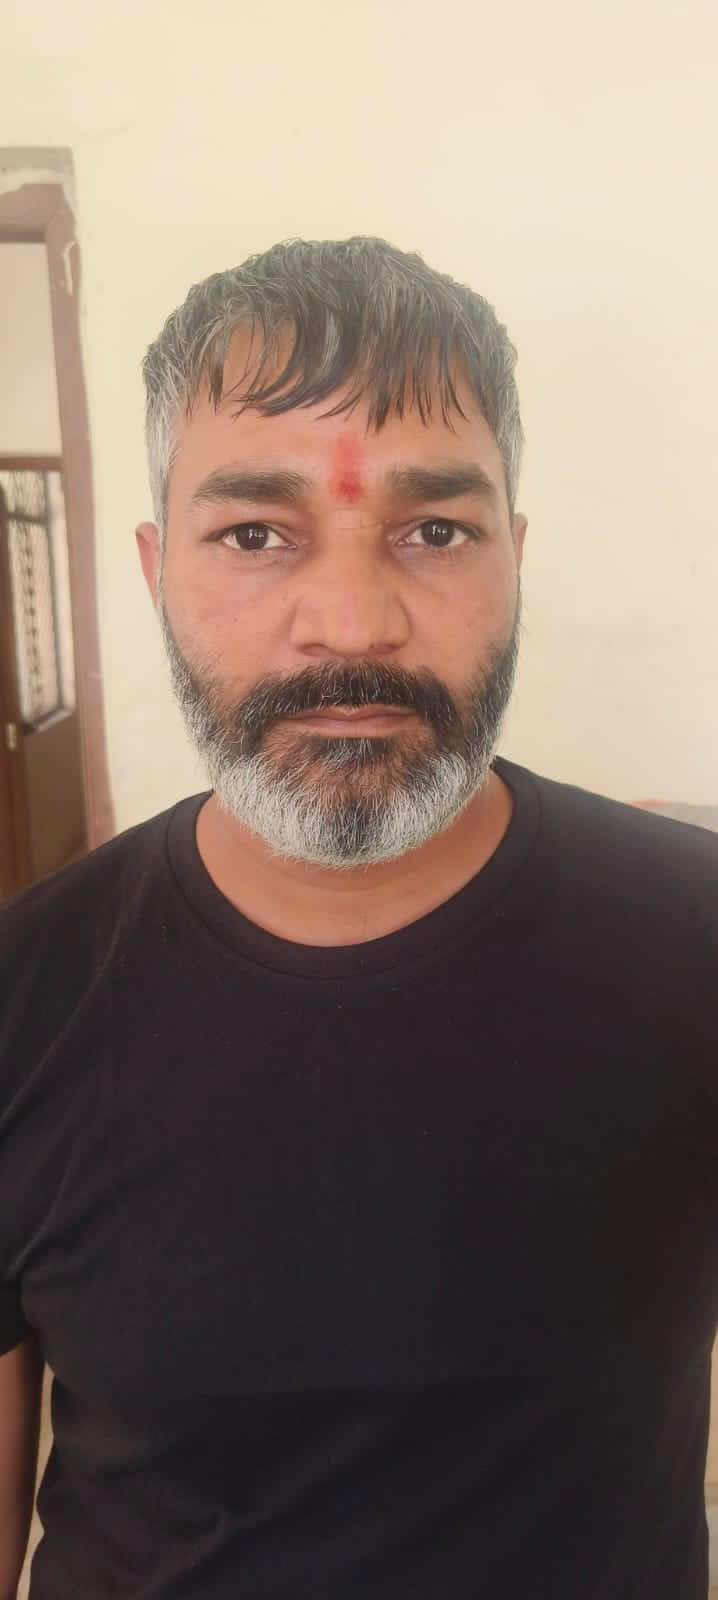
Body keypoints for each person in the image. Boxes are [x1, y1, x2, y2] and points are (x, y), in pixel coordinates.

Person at [1, 237, 716, 1600]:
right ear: (154, 568)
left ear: (513, 558)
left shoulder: (698, 943)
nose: (349, 621)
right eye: (254, 534)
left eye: (432, 531)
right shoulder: (22, 997)